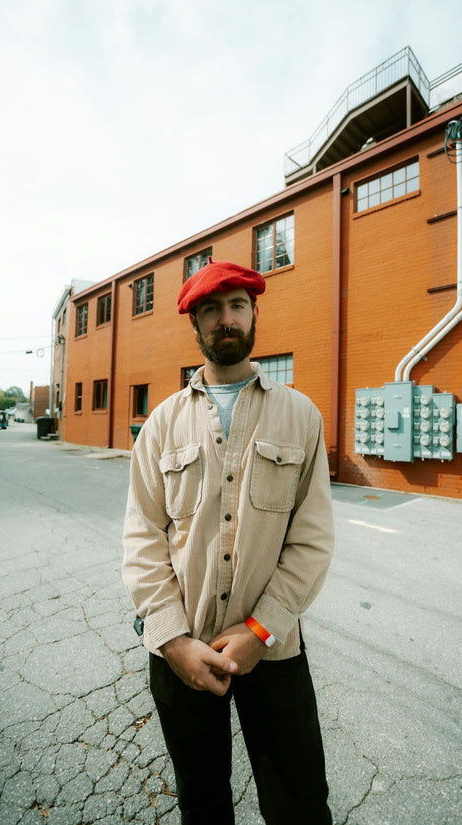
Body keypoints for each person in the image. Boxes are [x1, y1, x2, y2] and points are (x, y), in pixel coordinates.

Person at [122, 258, 334, 825]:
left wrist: (261, 629)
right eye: (210, 310)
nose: (225, 319)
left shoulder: (300, 415)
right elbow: (142, 539)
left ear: (254, 313)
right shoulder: (162, 424)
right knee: (203, 801)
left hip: (273, 648)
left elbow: (311, 540)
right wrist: (170, 639)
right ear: (194, 326)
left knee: (299, 803)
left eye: (236, 305)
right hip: (181, 650)